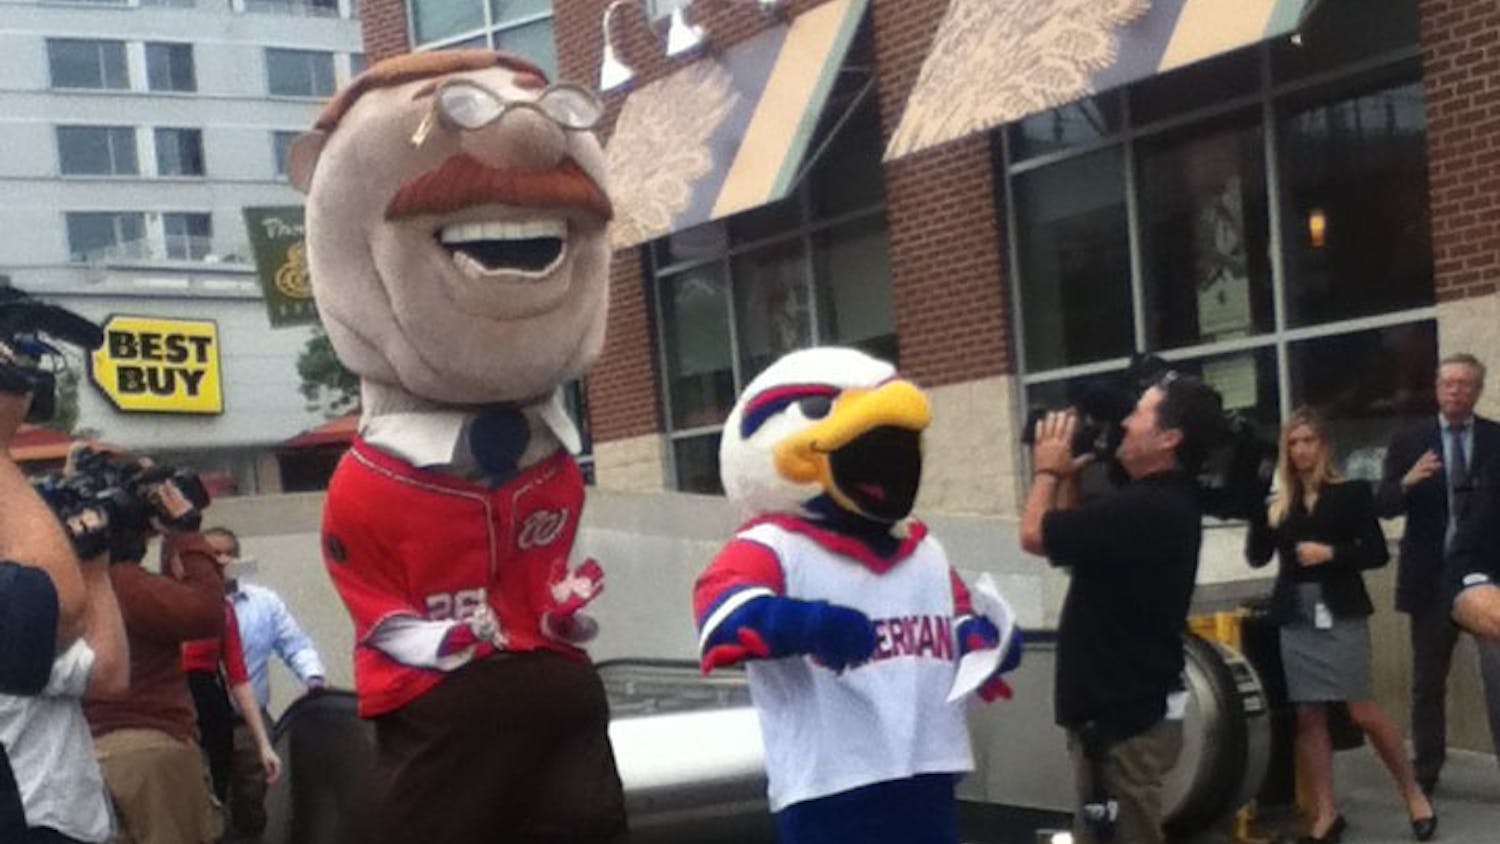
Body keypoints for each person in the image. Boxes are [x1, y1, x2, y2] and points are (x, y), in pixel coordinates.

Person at [1019, 374, 1221, 844]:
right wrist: (1070, 476)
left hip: (1118, 726)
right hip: (1122, 716)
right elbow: (1074, 545)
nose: (1125, 423)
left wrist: (1046, 472)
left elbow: (1034, 535)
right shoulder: (1161, 503)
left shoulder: (1149, 509)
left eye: (1139, 413)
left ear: (1169, 438)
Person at [1249, 409, 1435, 843]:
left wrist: (1330, 554)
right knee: (1308, 714)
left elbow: (1375, 553)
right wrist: (1259, 506)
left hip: (1340, 610)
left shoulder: (1350, 492)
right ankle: (1326, 812)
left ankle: (1413, 794)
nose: (1300, 451)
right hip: (1296, 614)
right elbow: (1258, 557)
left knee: (1360, 710)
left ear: (1324, 445)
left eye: (1308, 441)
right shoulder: (1281, 503)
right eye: (1293, 443)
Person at [1376, 352, 1500, 795]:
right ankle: (1426, 770)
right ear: (1436, 386)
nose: (1455, 391)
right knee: (1428, 682)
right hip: (1430, 579)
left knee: (1496, 678)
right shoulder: (1410, 440)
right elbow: (1383, 505)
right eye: (1448, 383)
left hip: (1485, 579)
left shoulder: (1494, 439)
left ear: (1478, 390)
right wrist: (1407, 481)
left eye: (1465, 383)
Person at [84, 529, 226, 844]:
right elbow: (205, 612)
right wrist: (186, 535)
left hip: (84, 751)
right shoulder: (122, 582)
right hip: (146, 748)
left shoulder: (61, 582)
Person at [203, 526, 317, 839]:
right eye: (215, 553)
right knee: (208, 807)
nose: (224, 560)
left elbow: (295, 644)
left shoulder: (263, 602)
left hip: (248, 722)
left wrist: (313, 678)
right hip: (199, 723)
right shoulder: (183, 605)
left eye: (230, 552)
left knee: (257, 802)